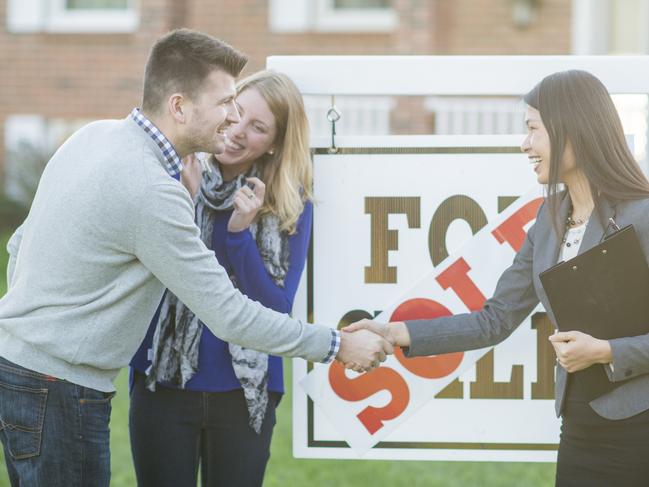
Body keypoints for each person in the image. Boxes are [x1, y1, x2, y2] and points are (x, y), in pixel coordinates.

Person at [0, 29, 392, 487]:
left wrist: (37, 327)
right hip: (60, 388)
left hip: (21, 370)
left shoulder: (94, 136)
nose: (232, 117)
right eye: (226, 103)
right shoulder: (154, 189)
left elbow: (18, 246)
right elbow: (228, 314)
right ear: (181, 107)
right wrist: (337, 345)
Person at [345, 70, 649, 487]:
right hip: (580, 426)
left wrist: (606, 351)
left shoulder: (642, 215)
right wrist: (392, 331)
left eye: (532, 130)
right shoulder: (549, 219)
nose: (525, 145)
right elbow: (495, 319)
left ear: (571, 129)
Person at [129, 70, 314, 487]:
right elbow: (154, 277)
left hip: (244, 392)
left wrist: (238, 237)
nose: (238, 131)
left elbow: (277, 310)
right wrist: (185, 202)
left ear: (275, 144)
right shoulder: (173, 172)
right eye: (237, 112)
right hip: (163, 382)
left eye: (259, 127)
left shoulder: (289, 204)